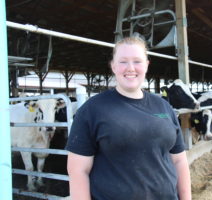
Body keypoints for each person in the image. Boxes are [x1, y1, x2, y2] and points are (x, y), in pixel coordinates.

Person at [66, 36, 191, 200]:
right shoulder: (92, 110)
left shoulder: (164, 107)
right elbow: (78, 171)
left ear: (146, 65)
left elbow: (179, 161)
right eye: (123, 61)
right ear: (113, 66)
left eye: (137, 61)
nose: (130, 68)